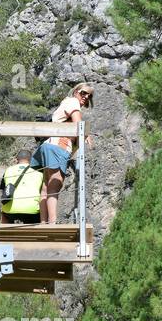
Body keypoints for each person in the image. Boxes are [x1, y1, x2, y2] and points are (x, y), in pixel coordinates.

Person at [31, 83, 93, 224]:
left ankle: (43, 222)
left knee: (46, 186)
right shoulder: (72, 102)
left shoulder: (65, 102)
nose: (86, 97)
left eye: (89, 96)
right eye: (84, 93)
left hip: (48, 145)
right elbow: (78, 123)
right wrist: (85, 134)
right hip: (59, 145)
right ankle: (52, 223)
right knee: (55, 184)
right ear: (76, 91)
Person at [0, 149, 43, 225]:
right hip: (32, 210)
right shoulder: (39, 173)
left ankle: (4, 234)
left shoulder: (8, 170)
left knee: (4, 213)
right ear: (31, 160)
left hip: (10, 211)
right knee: (35, 216)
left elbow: (4, 190)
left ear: (17, 159)